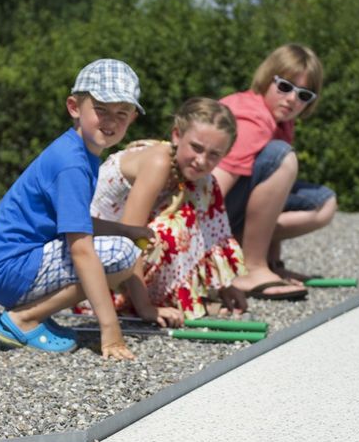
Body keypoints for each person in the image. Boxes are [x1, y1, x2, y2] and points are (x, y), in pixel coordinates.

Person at [0, 58, 146, 360]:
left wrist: (126, 229)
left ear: (132, 118)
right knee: (122, 255)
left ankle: (32, 313)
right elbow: (80, 250)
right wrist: (110, 329)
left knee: (122, 244)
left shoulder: (77, 151)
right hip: (11, 269)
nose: (110, 121)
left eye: (121, 113)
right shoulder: (72, 163)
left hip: (8, 265)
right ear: (74, 107)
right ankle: (23, 319)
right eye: (101, 109)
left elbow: (78, 223)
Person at [89, 97, 247, 324]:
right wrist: (146, 309)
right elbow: (130, 239)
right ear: (176, 135)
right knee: (171, 229)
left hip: (117, 247)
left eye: (214, 154)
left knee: (206, 188)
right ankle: (137, 299)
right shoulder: (159, 162)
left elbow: (211, 233)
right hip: (92, 251)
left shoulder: (191, 172)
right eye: (196, 148)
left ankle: (183, 294)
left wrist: (223, 285)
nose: (201, 160)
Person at [216, 44, 336, 301]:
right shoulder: (253, 118)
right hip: (212, 212)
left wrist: (275, 262)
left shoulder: (280, 120)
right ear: (267, 78)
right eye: (285, 86)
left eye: (304, 95)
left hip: (231, 212)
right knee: (282, 158)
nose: (293, 98)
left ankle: (265, 261)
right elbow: (212, 188)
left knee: (323, 202)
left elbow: (270, 194)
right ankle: (252, 268)